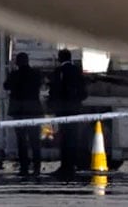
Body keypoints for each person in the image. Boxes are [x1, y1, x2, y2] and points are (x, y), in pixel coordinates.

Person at [48, 48, 88, 180]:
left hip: (63, 110)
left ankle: (65, 165)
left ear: (60, 58)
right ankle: (72, 164)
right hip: (75, 109)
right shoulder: (77, 71)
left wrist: (53, 105)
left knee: (64, 138)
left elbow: (54, 90)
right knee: (73, 137)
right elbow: (83, 91)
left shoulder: (59, 72)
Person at [3, 52, 43, 176]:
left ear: (17, 62)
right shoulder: (36, 74)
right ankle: (37, 166)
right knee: (35, 140)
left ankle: (24, 167)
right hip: (34, 110)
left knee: (21, 140)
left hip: (19, 111)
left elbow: (6, 86)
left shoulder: (14, 75)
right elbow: (41, 84)